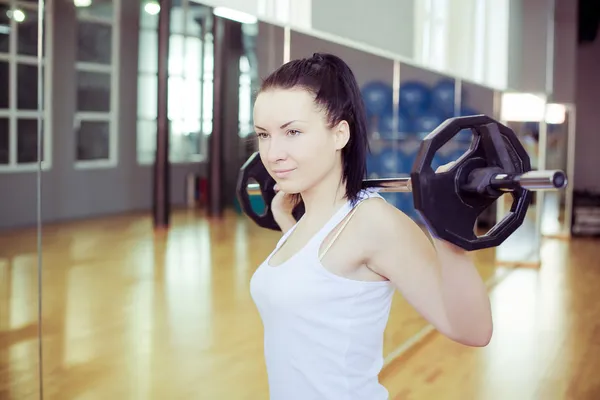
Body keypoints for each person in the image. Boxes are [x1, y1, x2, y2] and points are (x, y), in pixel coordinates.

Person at [249, 53, 493, 400]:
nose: (273, 153)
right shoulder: (305, 222)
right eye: (263, 135)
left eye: (293, 132)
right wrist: (287, 223)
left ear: (339, 134)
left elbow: (473, 330)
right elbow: (317, 292)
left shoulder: (374, 222)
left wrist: (447, 230)